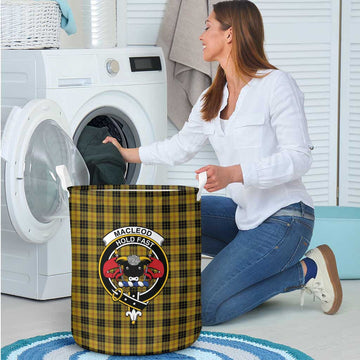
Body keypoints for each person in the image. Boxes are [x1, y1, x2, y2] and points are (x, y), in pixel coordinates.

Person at [103, 0, 342, 325]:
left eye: (207, 27)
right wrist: (127, 153)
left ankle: (306, 271)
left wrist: (234, 174)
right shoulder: (211, 97)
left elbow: (298, 159)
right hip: (245, 217)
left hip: (286, 219)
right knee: (169, 216)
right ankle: (233, 271)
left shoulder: (275, 84)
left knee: (204, 308)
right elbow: (180, 147)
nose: (200, 36)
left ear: (229, 35)